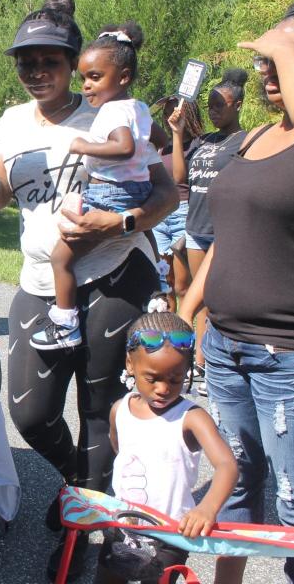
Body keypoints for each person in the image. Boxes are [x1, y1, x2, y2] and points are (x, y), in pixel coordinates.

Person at [0, 0, 178, 580]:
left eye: (49, 60)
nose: (36, 71)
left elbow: (167, 193)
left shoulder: (113, 109)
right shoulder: (9, 121)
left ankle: (86, 536)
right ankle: (83, 492)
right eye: (25, 61)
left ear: (73, 60)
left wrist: (122, 222)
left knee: (98, 413)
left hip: (111, 273)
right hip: (39, 279)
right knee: (30, 415)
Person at [180, 0, 294, 584]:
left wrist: (285, 40)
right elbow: (228, 237)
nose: (269, 65)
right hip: (228, 348)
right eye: (267, 57)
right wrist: (189, 311)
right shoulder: (255, 137)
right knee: (233, 488)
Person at [30, 21, 159, 351]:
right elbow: (151, 142)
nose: (87, 86)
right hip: (134, 190)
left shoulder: (113, 111)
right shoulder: (138, 107)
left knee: (61, 258)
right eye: (84, 78)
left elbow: (125, 147)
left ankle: (65, 321)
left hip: (110, 194)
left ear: (124, 77)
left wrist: (82, 145)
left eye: (95, 78)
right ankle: (159, 281)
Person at [97, 311, 237, 584]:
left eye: (175, 380)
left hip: (170, 533)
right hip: (124, 524)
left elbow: (228, 466)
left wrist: (207, 508)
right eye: (153, 378)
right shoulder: (120, 410)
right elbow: (119, 448)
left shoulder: (192, 418)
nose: (163, 388)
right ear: (130, 364)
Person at [169, 69, 248, 397]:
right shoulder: (204, 141)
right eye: (211, 105)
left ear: (238, 105)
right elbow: (179, 177)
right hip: (197, 228)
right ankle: (201, 362)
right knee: (195, 299)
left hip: (224, 231)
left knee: (217, 300)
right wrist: (177, 134)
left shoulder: (246, 141)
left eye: (221, 105)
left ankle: (215, 363)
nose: (214, 111)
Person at [151, 96, 202, 312]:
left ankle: (186, 333)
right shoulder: (163, 148)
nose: (169, 115)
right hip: (160, 215)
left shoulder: (199, 144)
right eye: (167, 112)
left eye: (175, 110)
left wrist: (177, 133)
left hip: (183, 212)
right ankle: (170, 335)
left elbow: (181, 178)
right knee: (167, 284)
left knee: (183, 285)